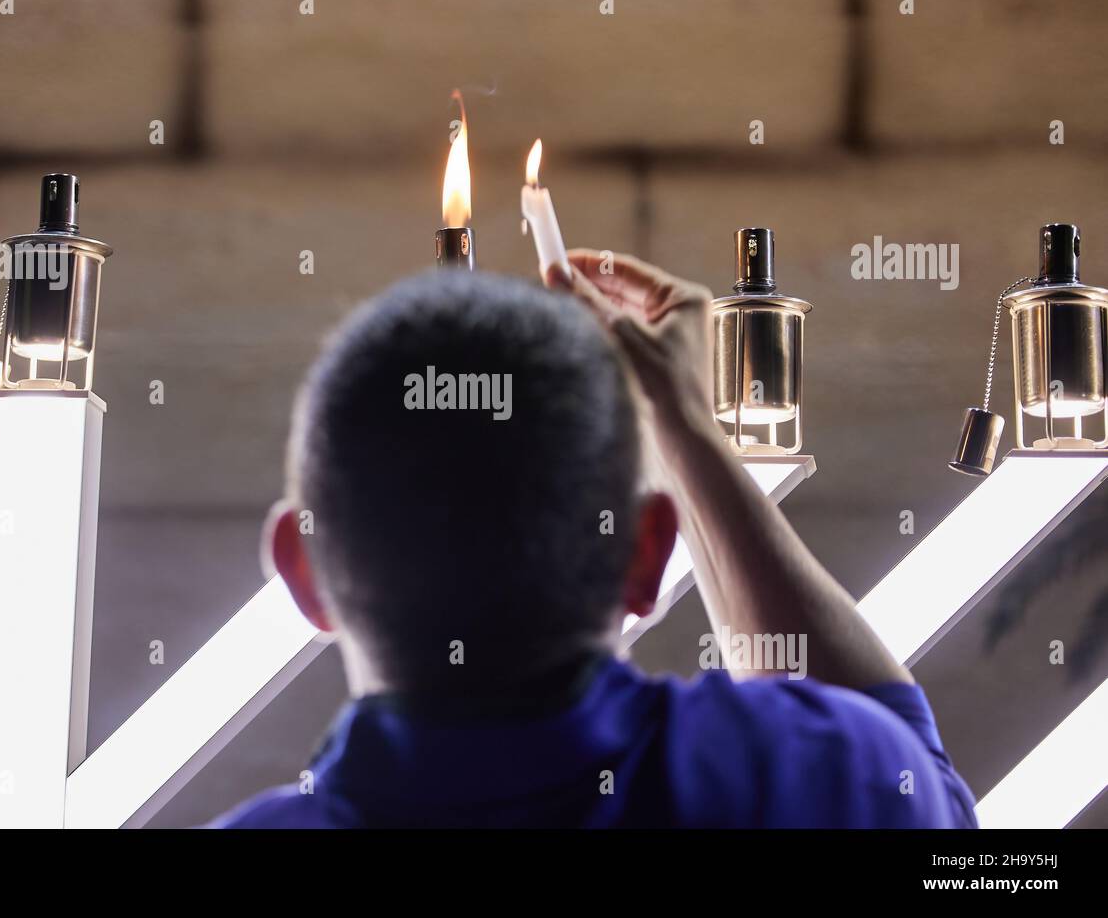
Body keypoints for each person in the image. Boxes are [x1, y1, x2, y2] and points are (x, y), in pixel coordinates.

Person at [211, 251, 978, 828]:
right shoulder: (823, 775)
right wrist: (684, 420)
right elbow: (900, 758)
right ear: (649, 553)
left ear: (300, 572)